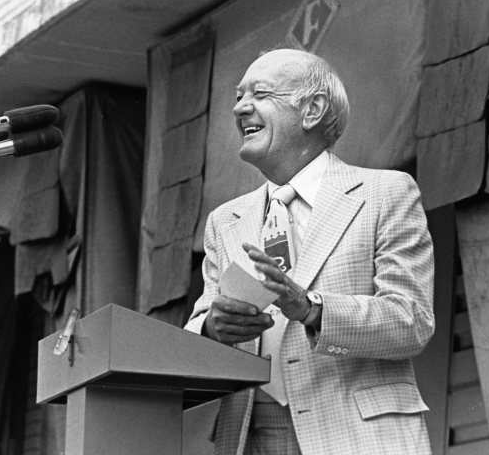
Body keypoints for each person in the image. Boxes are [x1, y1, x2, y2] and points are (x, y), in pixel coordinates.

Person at [184, 48, 435, 454]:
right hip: (250, 437)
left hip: (355, 437)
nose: (240, 109)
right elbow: (195, 338)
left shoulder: (386, 193)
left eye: (259, 94)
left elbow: (411, 322)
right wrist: (212, 329)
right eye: (237, 97)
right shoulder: (224, 221)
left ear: (313, 109)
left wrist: (311, 308)